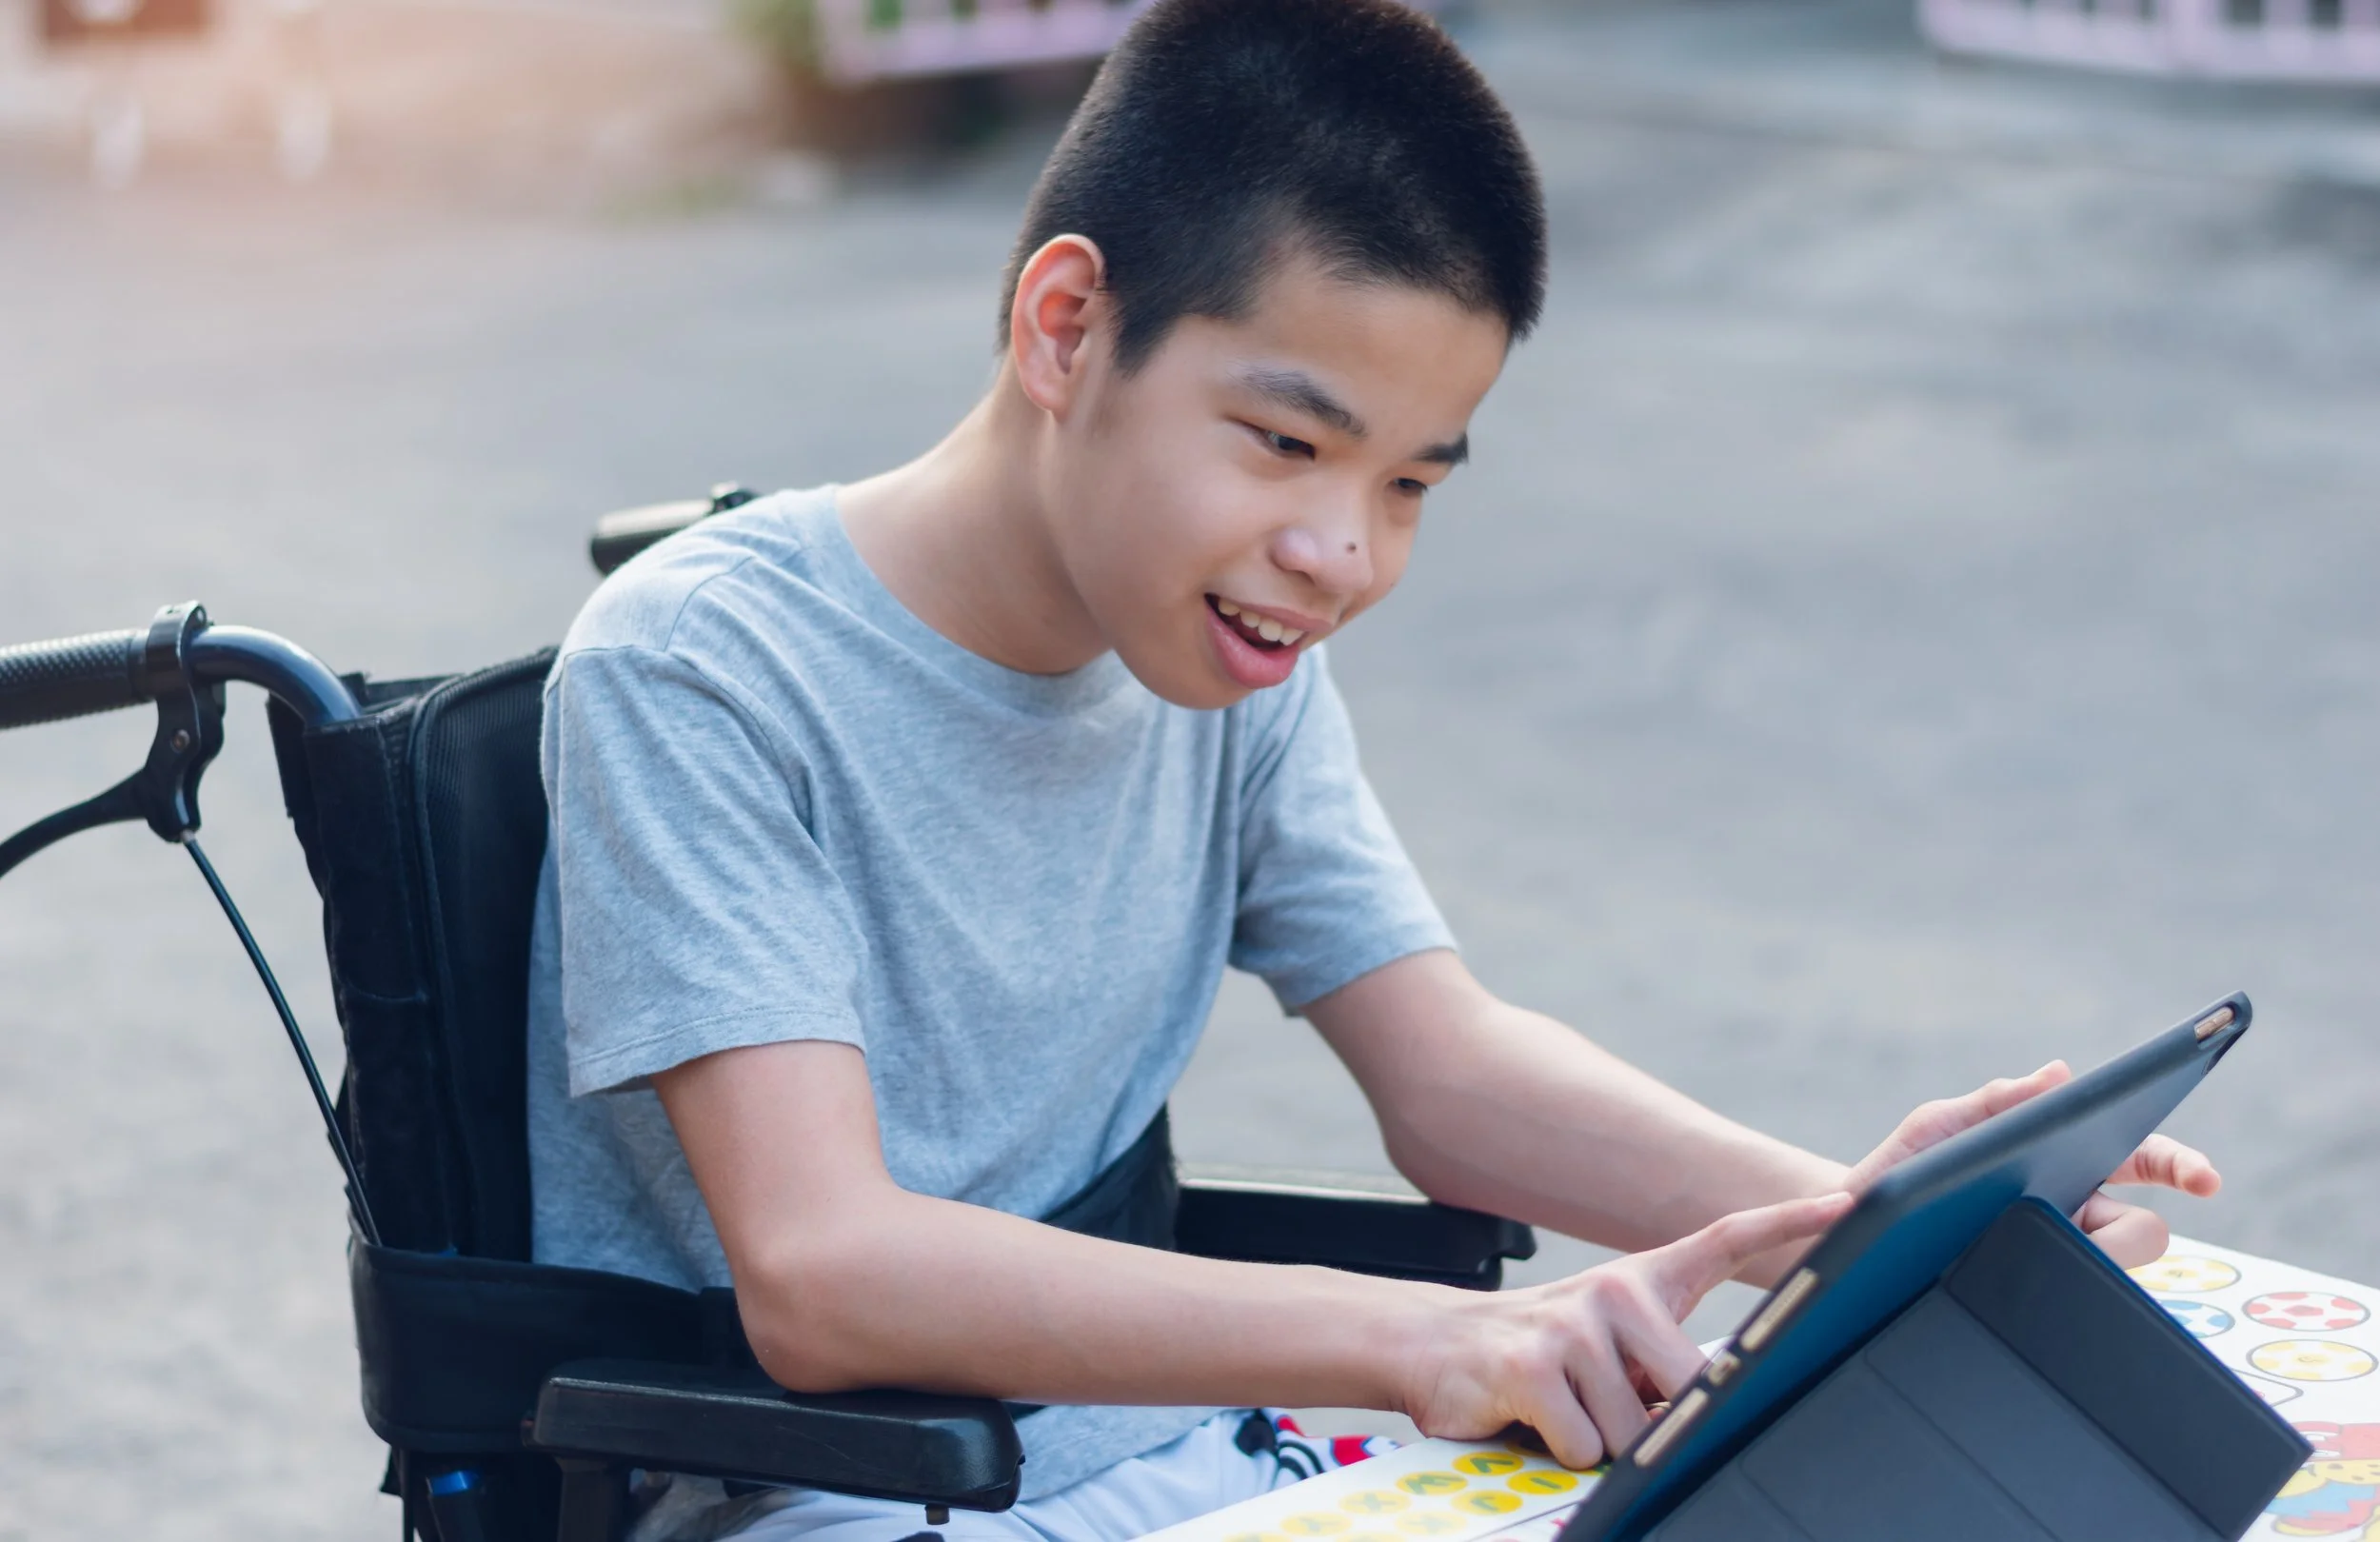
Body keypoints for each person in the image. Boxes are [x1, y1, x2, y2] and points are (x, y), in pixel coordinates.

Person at [525, 2, 2222, 1537]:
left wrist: (1869, 1222)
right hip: (833, 1500)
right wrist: (1428, 1340)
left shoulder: (1225, 646)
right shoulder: (701, 670)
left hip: (1183, 1458)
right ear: (1064, 328)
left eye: (1411, 483)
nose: (1340, 551)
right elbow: (830, 1274)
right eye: (1286, 442)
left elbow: (1452, 1078)